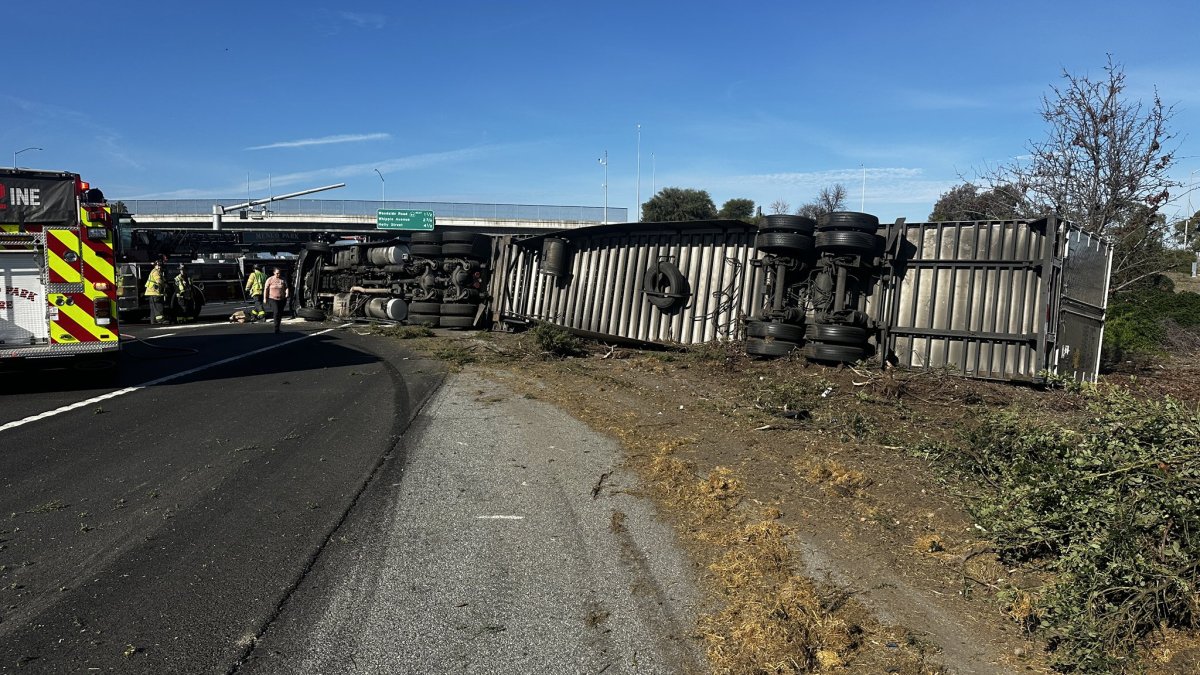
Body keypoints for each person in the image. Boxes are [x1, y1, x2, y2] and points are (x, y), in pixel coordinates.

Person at [263, 267, 290, 333]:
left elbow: (286, 287)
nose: (278, 274)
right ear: (274, 272)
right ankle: (276, 328)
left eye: (279, 273)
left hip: (282, 299)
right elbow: (266, 289)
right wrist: (265, 298)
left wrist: (287, 293)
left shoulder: (283, 279)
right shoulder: (270, 279)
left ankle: (278, 327)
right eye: (277, 273)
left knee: (280, 314)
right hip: (272, 298)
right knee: (276, 312)